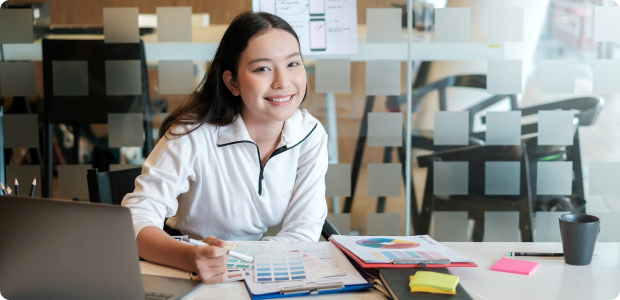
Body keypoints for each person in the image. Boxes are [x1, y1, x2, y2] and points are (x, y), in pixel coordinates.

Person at [121, 12, 328, 284]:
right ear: (232, 82)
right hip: (184, 270)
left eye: (293, 63)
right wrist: (189, 257)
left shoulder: (309, 135)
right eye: (262, 68)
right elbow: (136, 218)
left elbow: (302, 232)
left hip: (255, 273)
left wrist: (245, 263)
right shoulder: (191, 134)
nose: (282, 82)